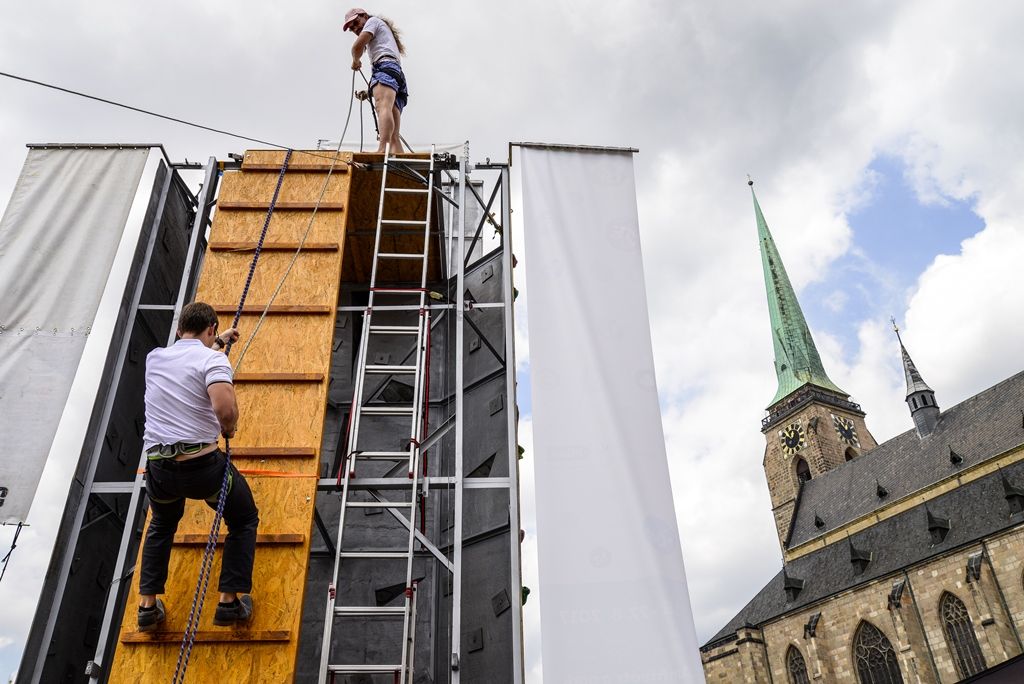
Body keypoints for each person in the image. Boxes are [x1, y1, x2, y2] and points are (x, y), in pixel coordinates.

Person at [136, 302, 259, 631]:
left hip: (159, 469)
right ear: (212, 328)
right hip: (202, 469)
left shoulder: (156, 358)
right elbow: (225, 410)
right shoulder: (212, 360)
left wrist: (217, 344)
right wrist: (229, 430)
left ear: (179, 330)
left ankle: (147, 608)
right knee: (244, 519)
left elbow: (186, 361)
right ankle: (229, 602)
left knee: (161, 525)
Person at [344, 8, 408, 154]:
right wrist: (369, 92)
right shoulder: (382, 33)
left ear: (364, 16)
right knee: (394, 135)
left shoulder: (372, 22)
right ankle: (400, 164)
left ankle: (381, 150)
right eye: (352, 28)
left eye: (356, 22)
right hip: (395, 73)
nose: (355, 28)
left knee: (382, 107)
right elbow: (387, 84)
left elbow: (356, 47)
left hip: (385, 68)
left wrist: (355, 61)